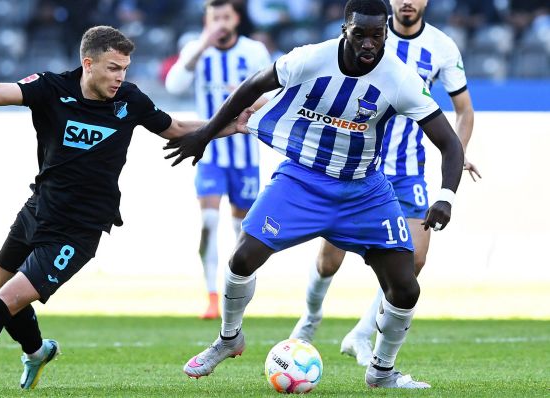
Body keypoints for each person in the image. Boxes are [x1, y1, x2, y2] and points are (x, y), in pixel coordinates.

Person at [0, 25, 253, 395]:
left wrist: (232, 125)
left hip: (78, 230)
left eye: (125, 68)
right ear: (89, 63)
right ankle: (37, 352)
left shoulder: (130, 100)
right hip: (37, 210)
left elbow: (178, 128)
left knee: (3, 305)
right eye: (113, 67)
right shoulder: (51, 88)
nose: (121, 77)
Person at [166, 0, 464, 388]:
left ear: (386, 32)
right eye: (360, 35)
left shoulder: (400, 78)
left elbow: (450, 143)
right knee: (242, 257)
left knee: (405, 287)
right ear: (345, 30)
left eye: (378, 35)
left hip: (365, 192)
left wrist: (446, 197)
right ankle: (228, 339)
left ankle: (382, 371)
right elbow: (253, 85)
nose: (369, 44)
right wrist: (204, 135)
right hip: (302, 179)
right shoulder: (309, 58)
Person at [289, 0, 480, 367]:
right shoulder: (366, 35)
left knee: (415, 258)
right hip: (358, 165)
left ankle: (361, 333)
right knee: (330, 259)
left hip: (408, 169)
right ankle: (310, 318)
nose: (406, 1)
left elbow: (464, 110)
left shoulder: (442, 47)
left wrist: (459, 150)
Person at [165, 0, 271, 320]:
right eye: (215, 18)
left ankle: (237, 291)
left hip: (244, 152)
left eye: (226, 17)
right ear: (207, 21)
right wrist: (202, 46)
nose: (221, 24)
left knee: (243, 229)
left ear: (236, 19)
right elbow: (174, 84)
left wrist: (247, 95)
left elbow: (274, 95)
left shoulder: (253, 52)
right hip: (209, 150)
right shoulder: (195, 49)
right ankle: (211, 295)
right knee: (209, 222)